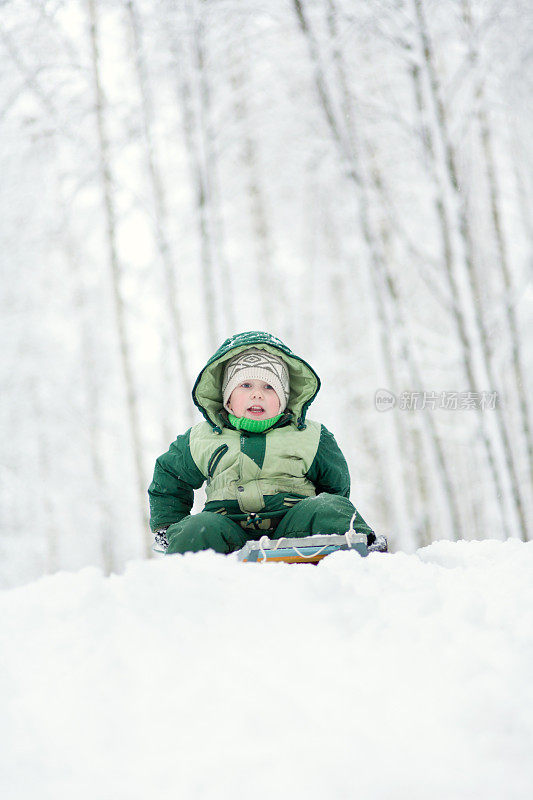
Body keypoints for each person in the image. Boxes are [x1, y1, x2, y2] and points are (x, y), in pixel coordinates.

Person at [148, 331, 377, 555]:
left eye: (269, 387)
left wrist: (323, 511)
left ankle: (361, 551)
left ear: (284, 399)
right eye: (246, 385)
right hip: (227, 530)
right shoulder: (202, 438)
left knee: (330, 508)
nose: (257, 394)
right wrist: (168, 525)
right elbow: (170, 475)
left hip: (293, 528)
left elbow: (336, 483)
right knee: (196, 529)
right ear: (227, 397)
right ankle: (187, 578)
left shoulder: (309, 435)